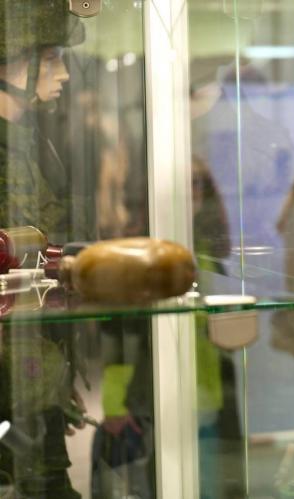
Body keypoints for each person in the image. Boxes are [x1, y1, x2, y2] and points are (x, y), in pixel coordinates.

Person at [0, 1, 89, 497]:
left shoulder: (29, 142)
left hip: (32, 369)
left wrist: (55, 376)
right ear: (14, 63)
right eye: (51, 58)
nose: (64, 74)